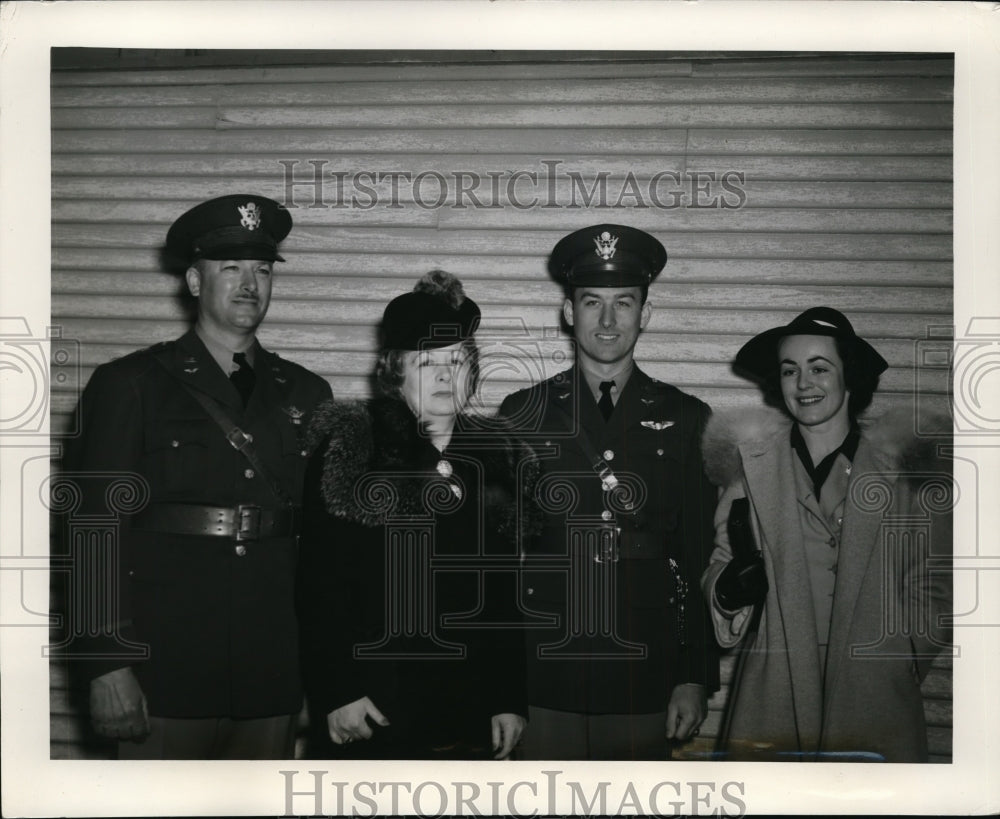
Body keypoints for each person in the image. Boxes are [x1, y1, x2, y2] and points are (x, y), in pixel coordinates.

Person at [60, 194, 333, 759]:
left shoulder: (308, 393)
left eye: (261, 269)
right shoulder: (130, 383)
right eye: (230, 268)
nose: (249, 284)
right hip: (165, 669)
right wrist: (106, 667)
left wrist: (323, 673)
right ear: (192, 280)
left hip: (271, 671)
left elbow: (324, 545)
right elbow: (91, 532)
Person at [498, 224, 719, 760]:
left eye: (624, 303)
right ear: (568, 312)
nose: (607, 319)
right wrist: (500, 684)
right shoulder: (520, 413)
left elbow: (695, 555)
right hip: (546, 658)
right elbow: (500, 560)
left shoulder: (687, 418)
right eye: (591, 301)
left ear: (646, 313)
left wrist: (692, 675)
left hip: (644, 659)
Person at [297, 270, 537, 760]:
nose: (446, 376)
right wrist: (338, 691)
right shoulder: (354, 448)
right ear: (395, 371)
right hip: (374, 708)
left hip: (468, 710)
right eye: (427, 363)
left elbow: (505, 596)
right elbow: (319, 586)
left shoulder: (497, 457)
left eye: (457, 360)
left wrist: (509, 698)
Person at [700, 307, 952, 762]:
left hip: (875, 703)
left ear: (848, 376)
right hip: (772, 697)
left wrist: (903, 656)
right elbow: (719, 562)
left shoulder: (903, 474)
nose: (803, 384)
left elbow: (931, 583)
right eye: (790, 370)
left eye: (819, 368)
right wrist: (727, 589)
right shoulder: (749, 469)